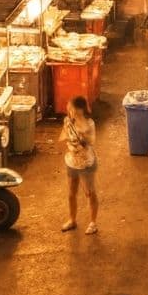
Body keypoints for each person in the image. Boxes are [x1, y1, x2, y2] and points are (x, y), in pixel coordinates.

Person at [60, 96, 99, 235]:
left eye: (71, 108)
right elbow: (63, 136)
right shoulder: (68, 121)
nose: (69, 111)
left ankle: (93, 223)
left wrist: (83, 135)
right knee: (71, 194)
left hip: (86, 163)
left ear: (79, 110)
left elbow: (92, 141)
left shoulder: (89, 124)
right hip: (72, 161)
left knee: (90, 193)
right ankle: (72, 220)